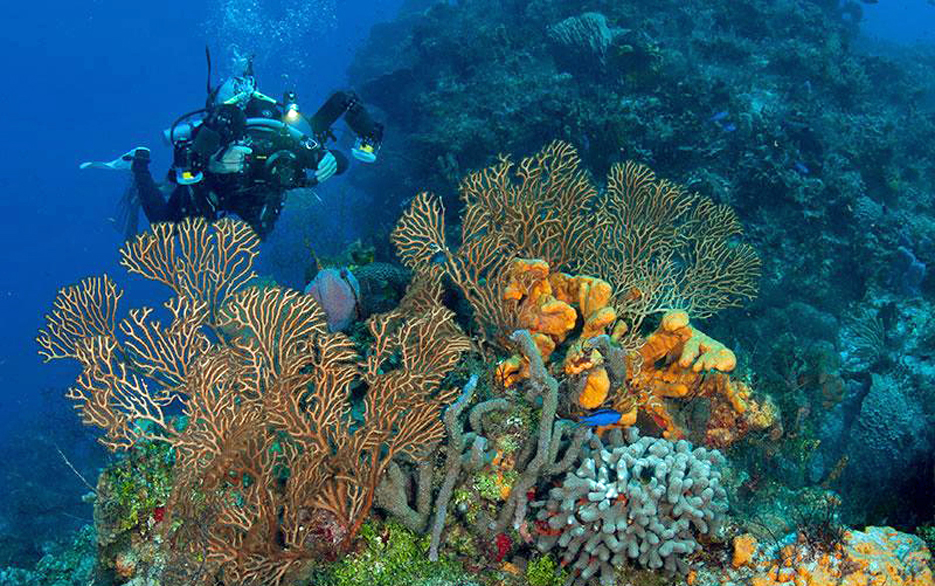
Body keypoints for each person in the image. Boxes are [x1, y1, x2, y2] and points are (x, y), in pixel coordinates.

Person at [82, 59, 383, 239]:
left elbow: (328, 156)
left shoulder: (284, 136)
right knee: (164, 226)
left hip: (257, 195)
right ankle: (139, 164)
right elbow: (186, 162)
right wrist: (211, 163)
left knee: (261, 234)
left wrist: (335, 159)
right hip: (214, 189)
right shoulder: (221, 131)